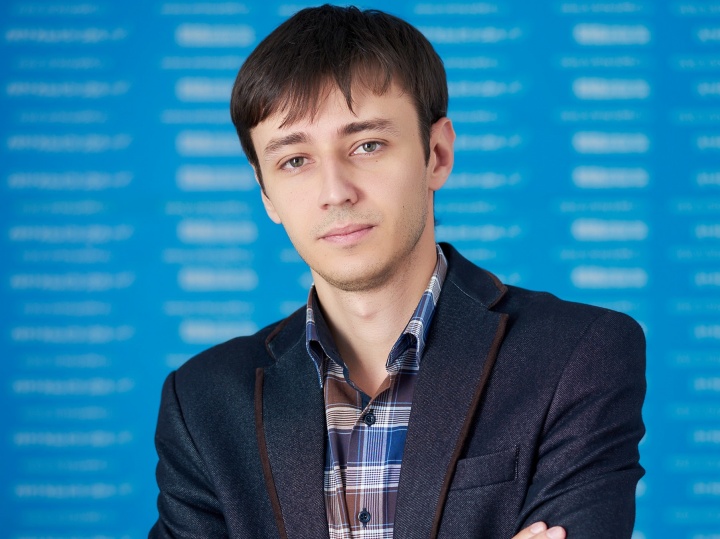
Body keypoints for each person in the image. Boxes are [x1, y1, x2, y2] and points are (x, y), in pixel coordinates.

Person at [149, 5, 645, 539]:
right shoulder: (203, 403)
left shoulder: (575, 356)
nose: (335, 191)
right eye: (294, 160)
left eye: (367, 145)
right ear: (266, 191)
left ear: (437, 154)